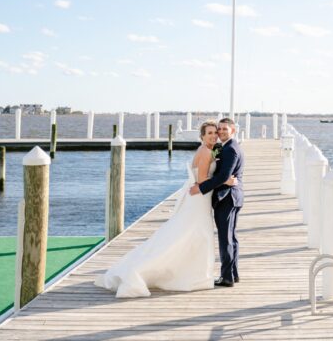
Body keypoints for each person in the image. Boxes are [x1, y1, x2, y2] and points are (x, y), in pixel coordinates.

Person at [95, 120, 235, 298]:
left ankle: (192, 272)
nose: (214, 135)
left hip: (198, 198)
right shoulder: (206, 152)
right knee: (195, 235)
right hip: (199, 198)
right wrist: (225, 180)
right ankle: (182, 274)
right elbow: (201, 181)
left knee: (187, 234)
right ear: (202, 136)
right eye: (209, 133)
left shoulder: (207, 150)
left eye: (215, 132)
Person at [190, 115, 244, 288]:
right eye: (218, 129)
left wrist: (201, 188)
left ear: (233, 130)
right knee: (231, 238)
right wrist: (224, 179)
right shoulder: (225, 147)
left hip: (227, 198)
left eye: (224, 129)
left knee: (225, 238)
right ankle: (233, 274)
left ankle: (227, 277)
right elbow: (222, 174)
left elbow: (222, 175)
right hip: (232, 196)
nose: (220, 132)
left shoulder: (231, 149)